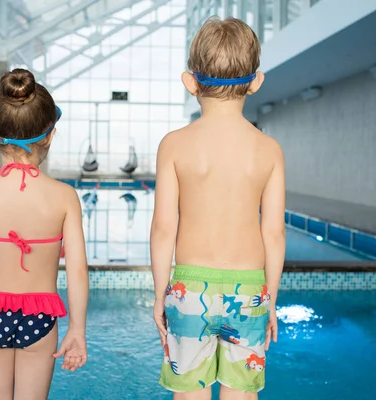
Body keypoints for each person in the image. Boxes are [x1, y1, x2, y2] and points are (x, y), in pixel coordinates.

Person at [150, 17, 285, 400]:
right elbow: (273, 233)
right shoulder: (269, 149)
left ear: (190, 81)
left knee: (188, 392)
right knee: (241, 393)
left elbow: (163, 228)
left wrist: (161, 295)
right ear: (255, 81)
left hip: (188, 287)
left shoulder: (174, 145)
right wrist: (269, 299)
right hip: (250, 290)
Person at [0, 69, 89, 400]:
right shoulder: (65, 197)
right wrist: (78, 331)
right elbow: (78, 271)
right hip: (40, 318)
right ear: (49, 135)